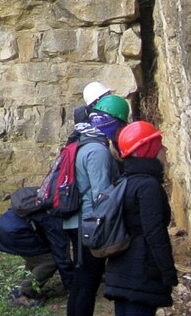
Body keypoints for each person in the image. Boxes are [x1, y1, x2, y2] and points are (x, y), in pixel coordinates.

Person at [50, 92, 129, 316]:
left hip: (79, 221)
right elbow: (102, 195)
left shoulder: (83, 142)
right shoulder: (97, 151)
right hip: (88, 223)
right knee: (87, 280)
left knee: (83, 279)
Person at [104, 121, 179, 316]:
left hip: (121, 268)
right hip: (141, 272)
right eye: (159, 144)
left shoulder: (124, 181)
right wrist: (168, 272)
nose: (164, 149)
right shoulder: (148, 186)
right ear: (148, 148)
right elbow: (154, 232)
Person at [0, 208, 59, 308]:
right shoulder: (58, 208)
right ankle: (24, 294)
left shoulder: (45, 195)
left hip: (5, 224)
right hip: (17, 231)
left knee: (35, 259)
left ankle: (17, 290)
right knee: (51, 261)